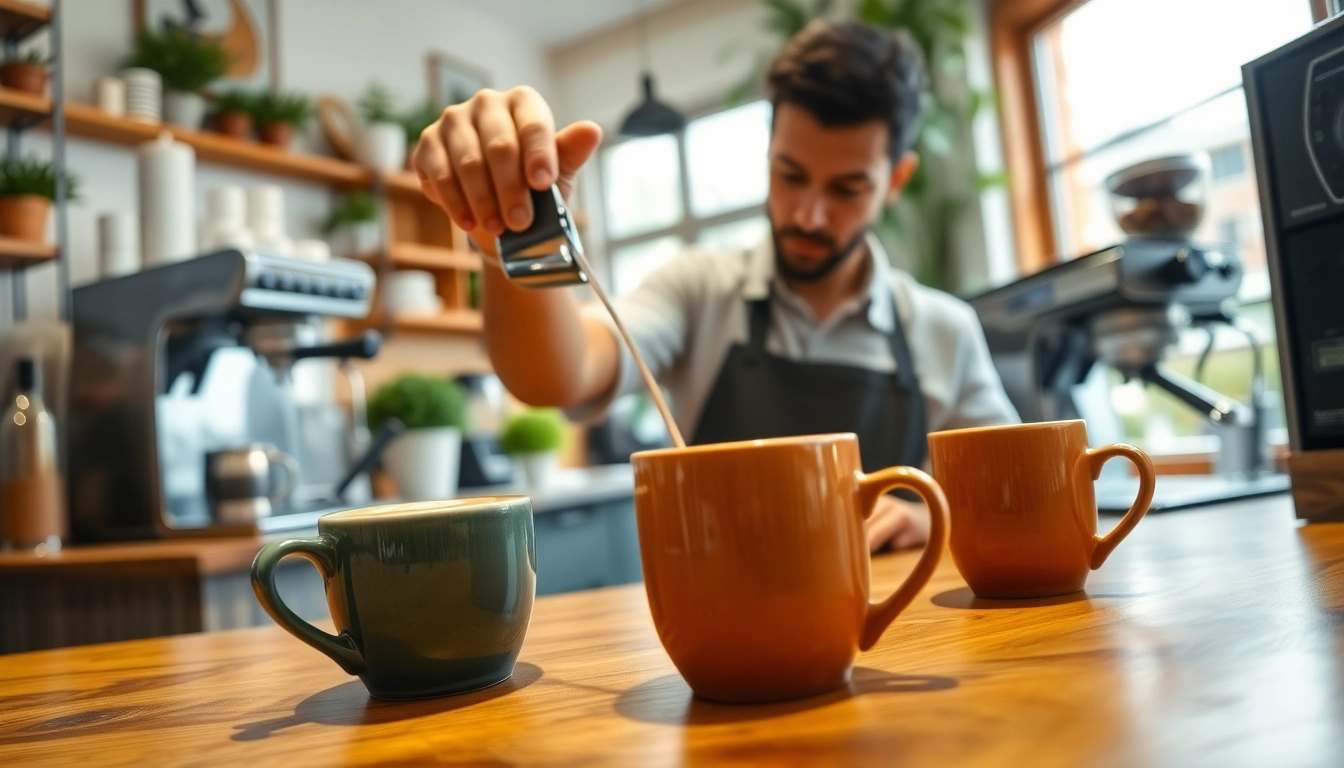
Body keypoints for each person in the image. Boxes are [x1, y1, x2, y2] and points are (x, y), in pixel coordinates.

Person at [413, 19, 1019, 552]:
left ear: (895, 181)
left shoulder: (943, 330)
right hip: (725, 642)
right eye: (791, 174)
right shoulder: (698, 291)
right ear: (769, 151)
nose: (808, 214)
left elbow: (1013, 498)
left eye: (846, 189)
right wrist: (511, 241)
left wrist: (925, 519)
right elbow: (557, 374)